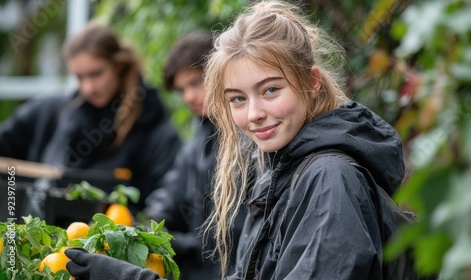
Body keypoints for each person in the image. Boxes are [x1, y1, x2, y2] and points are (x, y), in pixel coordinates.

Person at [64, 1, 403, 279]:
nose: (253, 113)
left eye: (270, 89)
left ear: (312, 82)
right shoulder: (281, 169)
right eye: (237, 99)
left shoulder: (330, 178)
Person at [0, 22, 182, 214]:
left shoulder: (154, 128)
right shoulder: (54, 109)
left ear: (118, 66)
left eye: (96, 74)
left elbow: (166, 204)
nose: (88, 88)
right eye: (79, 77)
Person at [143, 31, 245, 279]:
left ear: (220, 72)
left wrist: (188, 245)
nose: (189, 96)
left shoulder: (248, 132)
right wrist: (149, 226)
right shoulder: (200, 134)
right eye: (181, 89)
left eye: (196, 83)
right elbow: (171, 192)